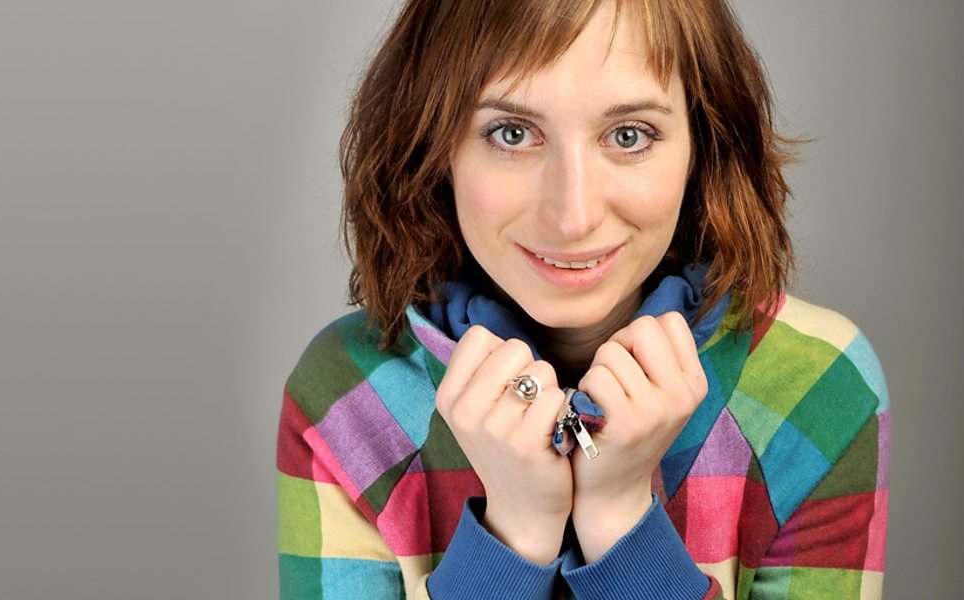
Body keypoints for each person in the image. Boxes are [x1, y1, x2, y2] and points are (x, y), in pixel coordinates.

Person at [276, 0, 889, 598]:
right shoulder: (346, 397)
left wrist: (621, 523)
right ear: (432, 148)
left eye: (629, 134)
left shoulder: (818, 386)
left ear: (704, 147)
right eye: (513, 133)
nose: (572, 217)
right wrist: (513, 533)